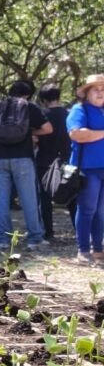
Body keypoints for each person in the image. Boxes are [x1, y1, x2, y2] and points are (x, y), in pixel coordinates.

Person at [0, 80, 50, 249]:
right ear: (28, 95)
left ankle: (3, 239)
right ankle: (35, 238)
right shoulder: (29, 106)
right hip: (23, 158)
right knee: (29, 199)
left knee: (1, 199)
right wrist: (29, 132)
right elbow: (48, 129)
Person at [67, 74, 104, 264]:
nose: (100, 92)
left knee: (101, 211)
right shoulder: (79, 110)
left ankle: (98, 249)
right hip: (87, 169)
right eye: (96, 89)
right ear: (87, 93)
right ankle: (83, 250)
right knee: (88, 209)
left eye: (103, 89)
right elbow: (77, 134)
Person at [36, 82, 71, 241]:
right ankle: (78, 229)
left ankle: (48, 231)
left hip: (44, 159)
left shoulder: (41, 115)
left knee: (44, 198)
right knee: (72, 195)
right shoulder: (69, 114)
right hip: (67, 159)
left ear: (43, 99)